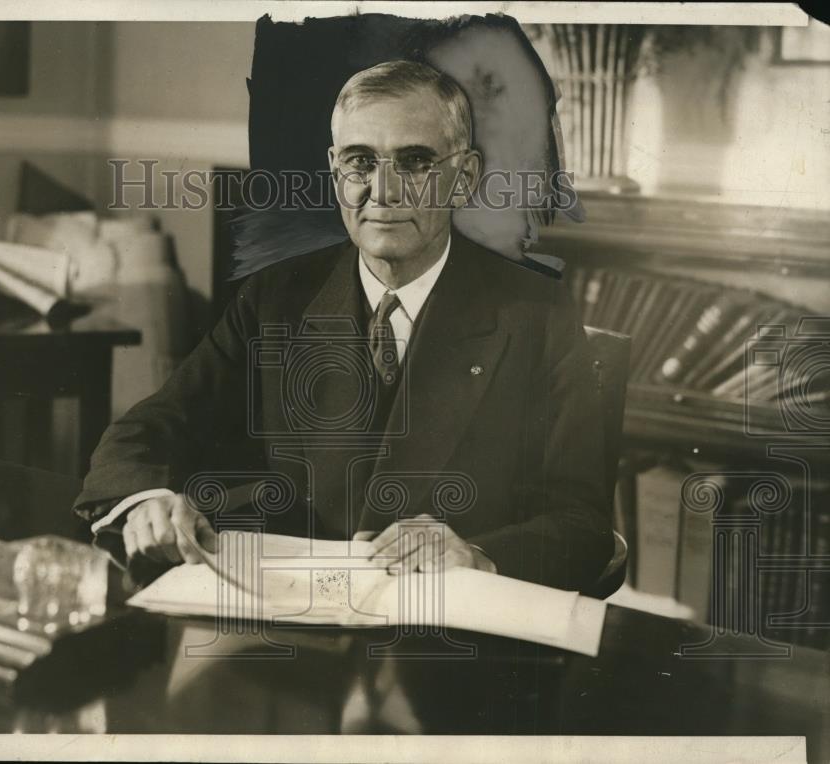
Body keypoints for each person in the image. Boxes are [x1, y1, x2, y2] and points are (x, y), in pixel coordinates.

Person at [74, 60, 613, 591]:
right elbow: (147, 430)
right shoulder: (275, 298)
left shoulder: (536, 315)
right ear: (336, 170)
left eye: (416, 161)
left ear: (465, 176)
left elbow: (581, 524)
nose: (382, 191)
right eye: (360, 162)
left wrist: (477, 554)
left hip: (445, 635)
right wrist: (148, 501)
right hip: (294, 623)